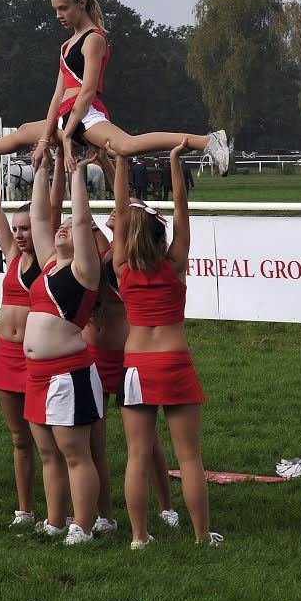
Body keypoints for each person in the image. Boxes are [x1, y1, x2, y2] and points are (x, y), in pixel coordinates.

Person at [0, 0, 232, 176]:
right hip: (65, 115)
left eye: (63, 8)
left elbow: (87, 91)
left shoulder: (94, 39)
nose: (58, 14)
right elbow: (58, 95)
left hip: (83, 115)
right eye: (55, 9)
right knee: (23, 133)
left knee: (126, 145)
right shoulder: (65, 45)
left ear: (81, 3)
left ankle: (208, 141)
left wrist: (67, 135)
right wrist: (46, 139)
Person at [109, 138, 223, 549]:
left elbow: (121, 210)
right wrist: (175, 161)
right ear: (162, 239)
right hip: (173, 360)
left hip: (136, 363)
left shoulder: (121, 266)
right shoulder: (175, 265)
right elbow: (180, 206)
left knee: (138, 455)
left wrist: (120, 161)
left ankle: (139, 537)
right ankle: (200, 535)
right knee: (189, 457)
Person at [84, 152, 179, 536]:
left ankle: (166, 505)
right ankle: (105, 513)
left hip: (128, 356)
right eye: (108, 217)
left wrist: (115, 164)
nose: (110, 217)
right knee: (96, 436)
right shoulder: (98, 248)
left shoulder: (130, 259)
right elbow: (96, 208)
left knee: (146, 440)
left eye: (116, 217)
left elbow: (123, 204)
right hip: (94, 353)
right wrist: (100, 164)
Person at [23, 149, 103, 545]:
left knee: (74, 453)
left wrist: (75, 172)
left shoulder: (83, 270)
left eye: (69, 227)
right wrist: (40, 169)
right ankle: (55, 520)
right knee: (48, 453)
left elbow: (84, 220)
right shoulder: (51, 262)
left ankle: (82, 526)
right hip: (36, 374)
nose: (63, 228)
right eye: (63, 225)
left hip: (67, 374)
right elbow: (39, 217)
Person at [0, 152, 50, 527]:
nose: (21, 235)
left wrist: (44, 165)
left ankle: (61, 510)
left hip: (36, 357)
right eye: (17, 228)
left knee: (48, 442)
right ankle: (24, 510)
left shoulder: (46, 260)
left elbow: (48, 210)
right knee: (19, 439)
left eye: (26, 228)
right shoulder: (11, 255)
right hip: (4, 355)